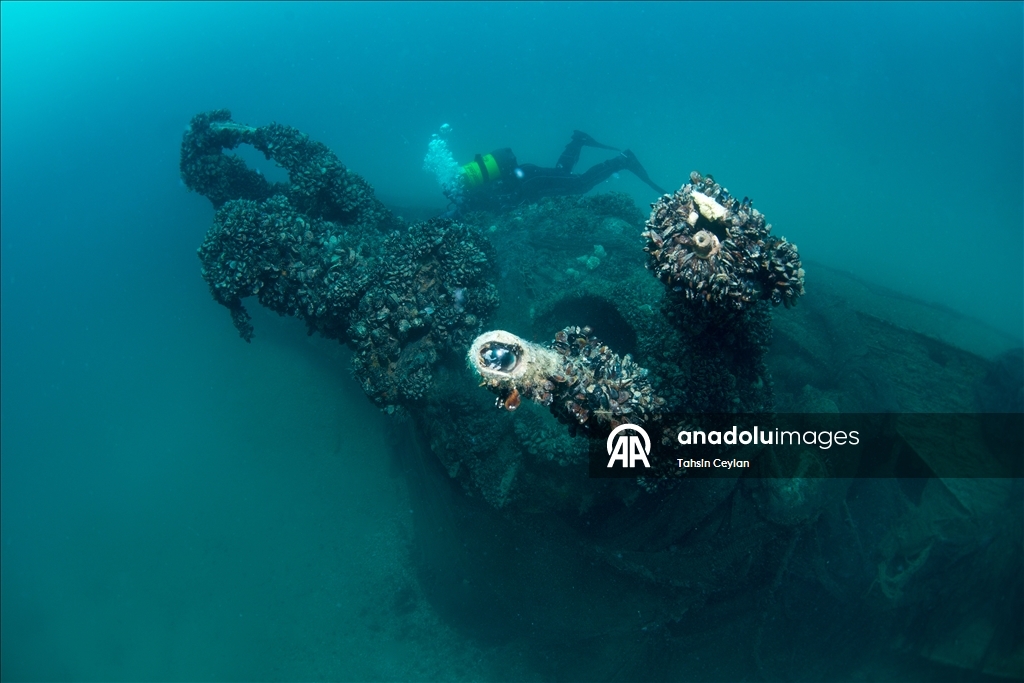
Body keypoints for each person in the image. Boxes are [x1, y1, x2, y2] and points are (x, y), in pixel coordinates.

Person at [448, 130, 667, 214]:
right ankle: (577, 141)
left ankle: (622, 161)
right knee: (561, 172)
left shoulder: (473, 197)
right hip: (526, 178)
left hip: (530, 180)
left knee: (580, 184)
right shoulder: (473, 194)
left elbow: (504, 200)